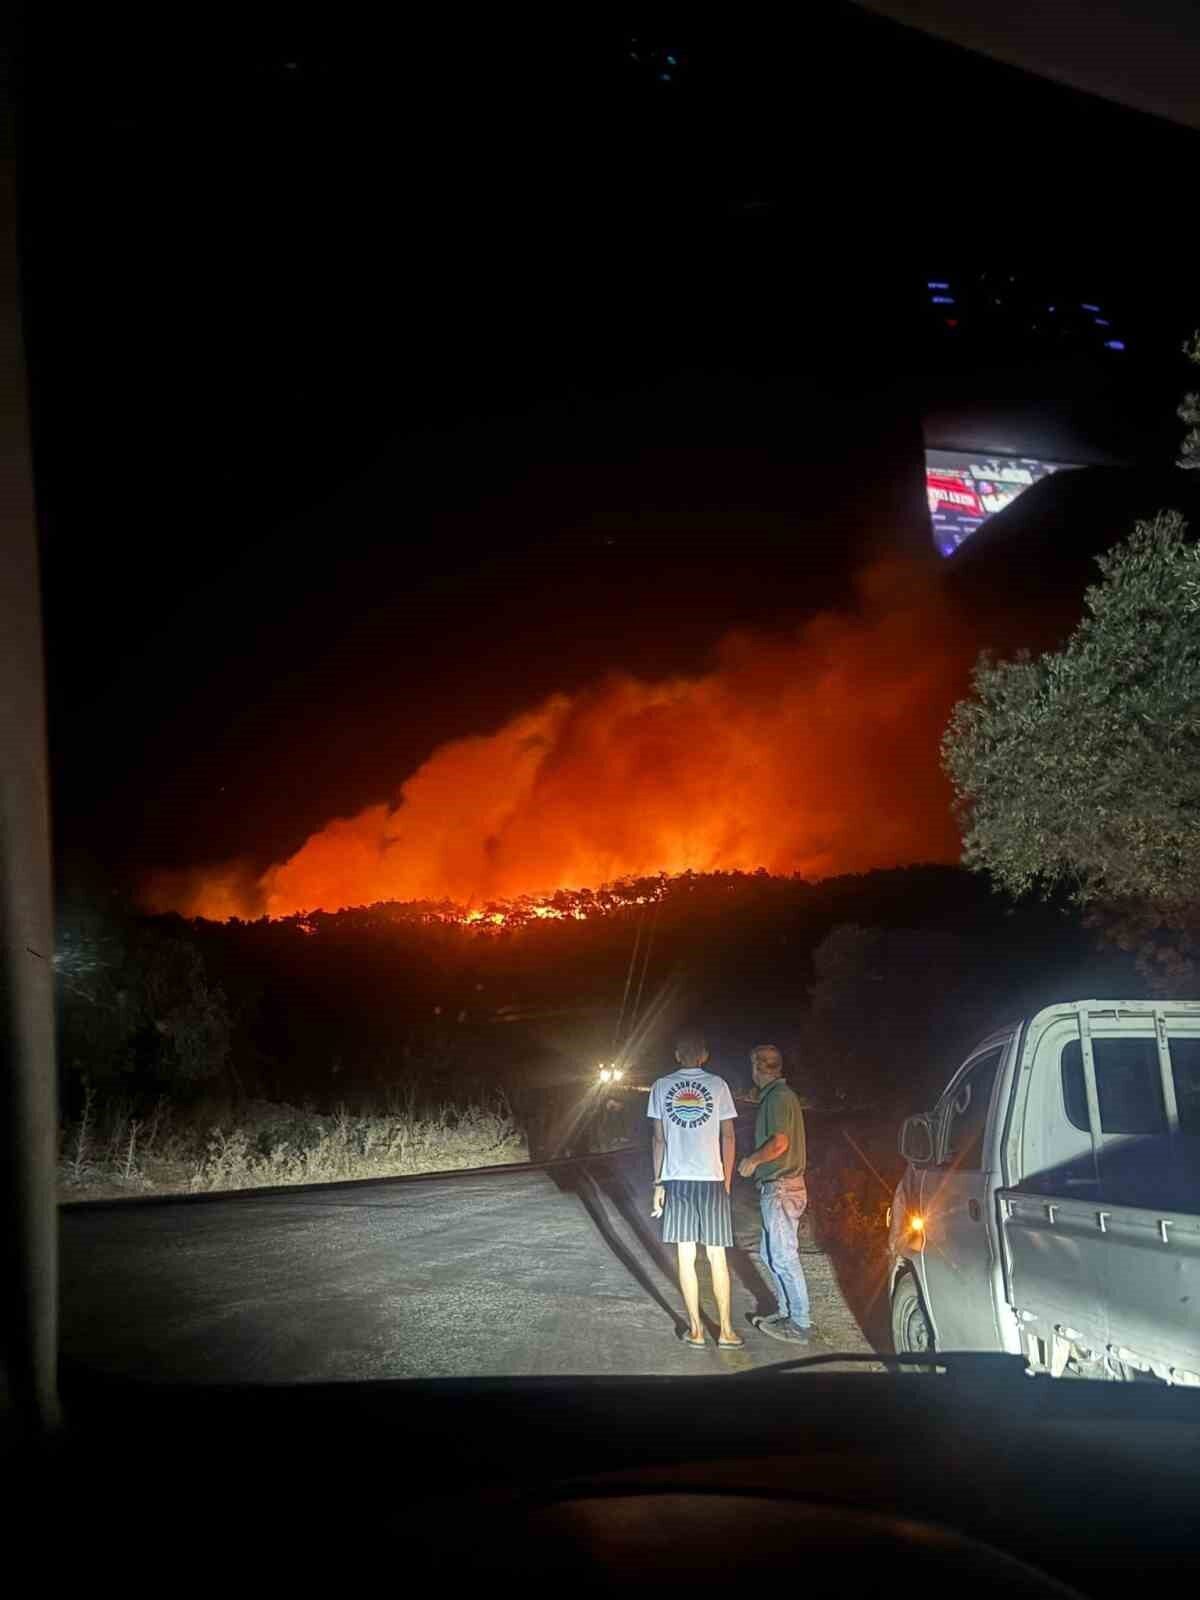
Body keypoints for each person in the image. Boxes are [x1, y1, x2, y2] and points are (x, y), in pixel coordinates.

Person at [648, 1028, 744, 1349]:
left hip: (678, 1180)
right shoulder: (718, 1086)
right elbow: (728, 1136)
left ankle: (696, 1331)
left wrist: (658, 1183)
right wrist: (726, 1180)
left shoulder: (661, 1087)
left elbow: (659, 1139)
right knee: (717, 1256)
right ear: (705, 1055)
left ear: (677, 1055)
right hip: (712, 1179)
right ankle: (727, 1331)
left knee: (685, 1255)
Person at [738, 1044, 813, 1345]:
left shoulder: (778, 1098)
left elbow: (780, 1143)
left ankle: (800, 1322)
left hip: (782, 1186)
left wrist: (752, 1161)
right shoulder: (780, 1096)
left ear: (757, 1067)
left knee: (783, 1256)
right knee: (771, 1255)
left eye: (752, 1067)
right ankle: (786, 1312)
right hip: (782, 1186)